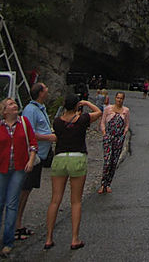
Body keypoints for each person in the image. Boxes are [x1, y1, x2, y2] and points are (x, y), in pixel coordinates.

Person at [45, 93, 102, 250]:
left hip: (60, 158)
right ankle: (74, 238)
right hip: (77, 158)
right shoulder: (82, 120)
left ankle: (49, 238)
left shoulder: (57, 122)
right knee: (76, 201)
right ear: (77, 106)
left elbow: (57, 137)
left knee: (55, 199)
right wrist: (86, 103)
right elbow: (98, 112)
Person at [15, 83, 57, 241]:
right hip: (33, 156)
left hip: (41, 155)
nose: (47, 90)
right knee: (23, 191)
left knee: (28, 190)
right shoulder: (30, 110)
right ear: (40, 92)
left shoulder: (40, 108)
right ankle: (16, 226)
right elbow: (27, 133)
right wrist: (49, 137)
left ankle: (18, 224)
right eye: (45, 88)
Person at [0, 98, 37, 257]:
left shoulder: (24, 122)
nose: (14, 105)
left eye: (15, 103)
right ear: (4, 111)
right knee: (0, 203)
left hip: (19, 168)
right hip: (2, 168)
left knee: (12, 203)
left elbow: (33, 143)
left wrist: (31, 159)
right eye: (10, 104)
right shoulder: (0, 126)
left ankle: (8, 241)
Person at [98, 91, 130, 194]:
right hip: (108, 137)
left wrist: (124, 133)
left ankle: (108, 184)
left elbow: (127, 124)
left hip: (118, 138)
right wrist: (104, 132)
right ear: (115, 98)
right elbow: (102, 122)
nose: (119, 100)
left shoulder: (126, 111)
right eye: (118, 98)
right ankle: (103, 183)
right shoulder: (108, 109)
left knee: (114, 161)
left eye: (121, 98)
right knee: (107, 160)